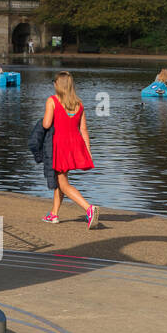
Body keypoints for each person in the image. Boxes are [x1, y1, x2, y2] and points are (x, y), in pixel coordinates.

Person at [41, 71, 98, 228]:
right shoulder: (79, 104)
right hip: (74, 145)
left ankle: (89, 208)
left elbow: (46, 124)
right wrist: (88, 151)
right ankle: (53, 214)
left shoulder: (52, 101)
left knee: (63, 183)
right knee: (62, 179)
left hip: (60, 145)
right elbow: (84, 130)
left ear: (57, 85)